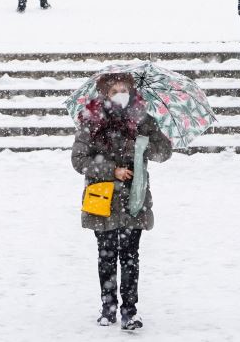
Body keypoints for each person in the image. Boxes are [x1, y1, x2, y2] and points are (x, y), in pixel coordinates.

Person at [72, 72, 172, 331]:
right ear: (105, 93)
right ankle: (108, 307)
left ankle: (129, 310)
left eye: (124, 89)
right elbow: (79, 160)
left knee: (130, 256)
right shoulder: (90, 119)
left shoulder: (142, 119)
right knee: (106, 255)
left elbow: (163, 153)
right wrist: (111, 170)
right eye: (114, 90)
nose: (120, 93)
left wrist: (149, 138)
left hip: (133, 198)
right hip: (102, 198)